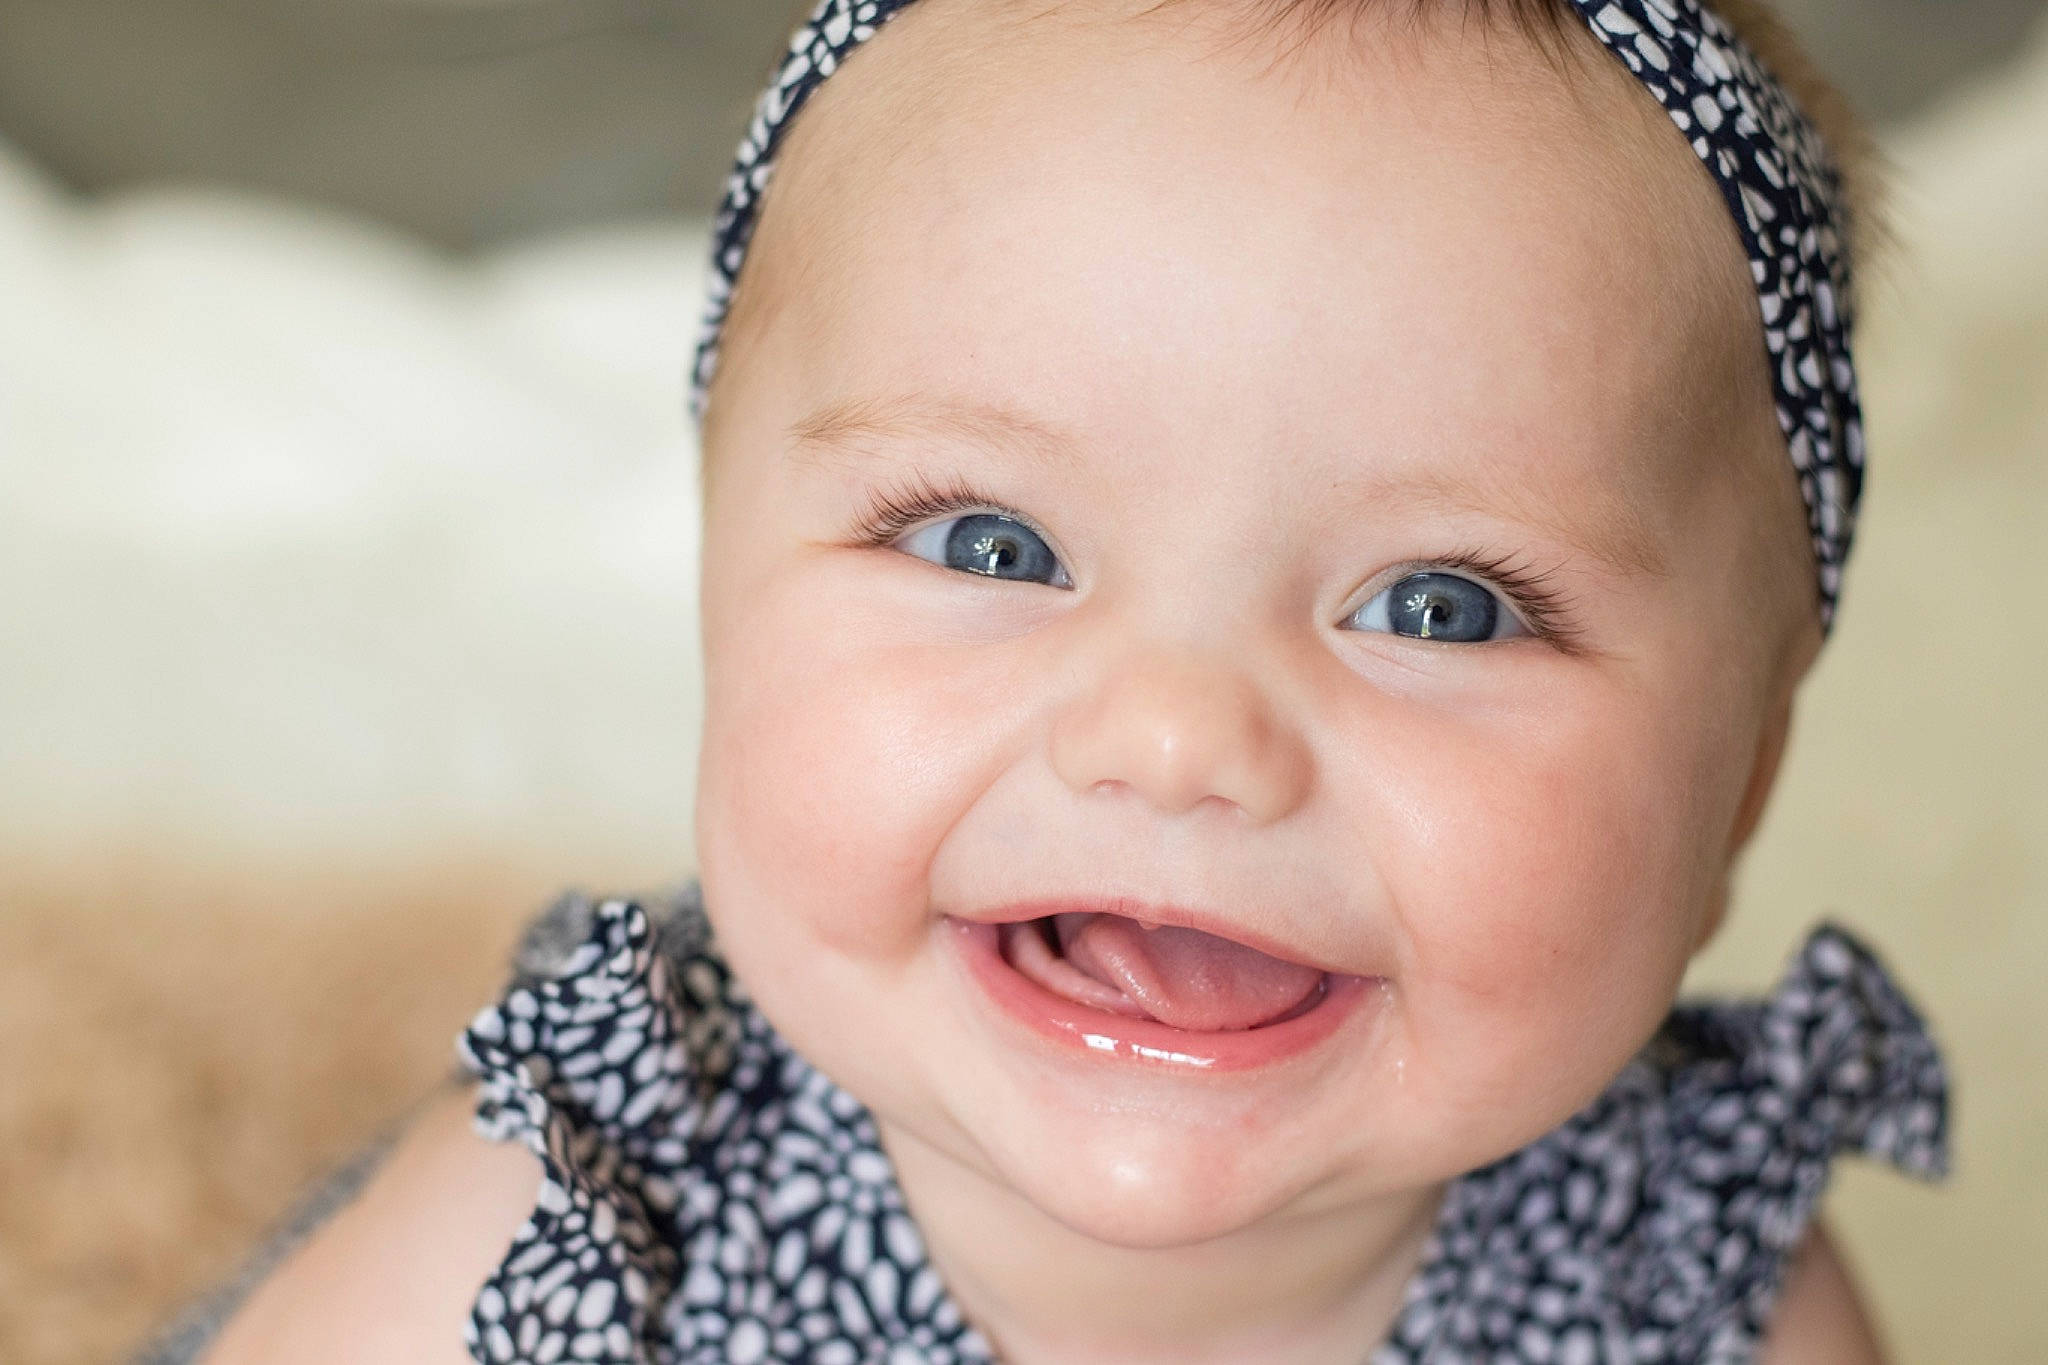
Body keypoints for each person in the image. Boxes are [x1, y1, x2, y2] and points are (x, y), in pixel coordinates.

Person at [178, 0, 1948, 1360]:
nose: (1178, 738)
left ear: (1747, 776)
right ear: (723, 591)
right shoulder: (581, 1216)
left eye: (1441, 606)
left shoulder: (1704, 1275)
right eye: (989, 547)